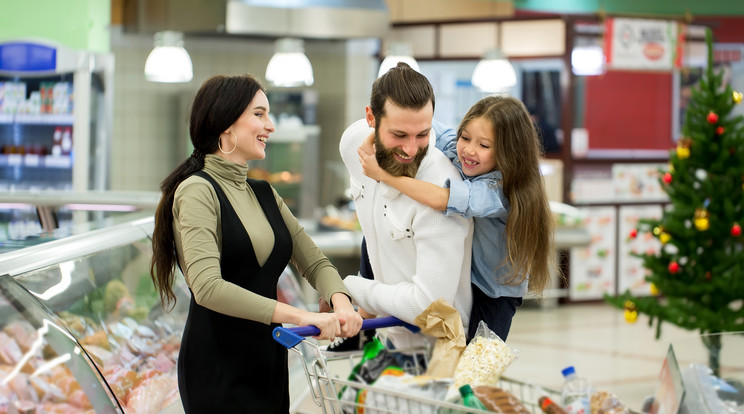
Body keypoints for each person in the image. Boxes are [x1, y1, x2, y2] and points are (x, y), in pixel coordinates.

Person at [149, 74, 363, 413]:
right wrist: (300, 316)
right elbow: (207, 287)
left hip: (268, 359)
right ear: (226, 125)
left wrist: (341, 302)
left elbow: (314, 261)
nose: (271, 126)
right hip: (217, 368)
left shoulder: (263, 193)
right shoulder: (196, 190)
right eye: (260, 114)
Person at [359, 95, 555, 342]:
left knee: (478, 368)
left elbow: (444, 198)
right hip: (461, 277)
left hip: (493, 293)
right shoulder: (455, 146)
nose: (469, 150)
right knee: (374, 234)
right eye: (465, 137)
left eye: (484, 146)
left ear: (509, 153)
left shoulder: (500, 191)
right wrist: (380, 129)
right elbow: (422, 127)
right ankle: (363, 321)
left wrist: (384, 175)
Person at [337, 62, 474, 351]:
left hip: (441, 354)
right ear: (371, 118)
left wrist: (352, 288)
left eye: (422, 134)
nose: (411, 149)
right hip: (388, 339)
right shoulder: (352, 145)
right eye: (399, 135)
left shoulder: (441, 184)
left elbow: (429, 308)